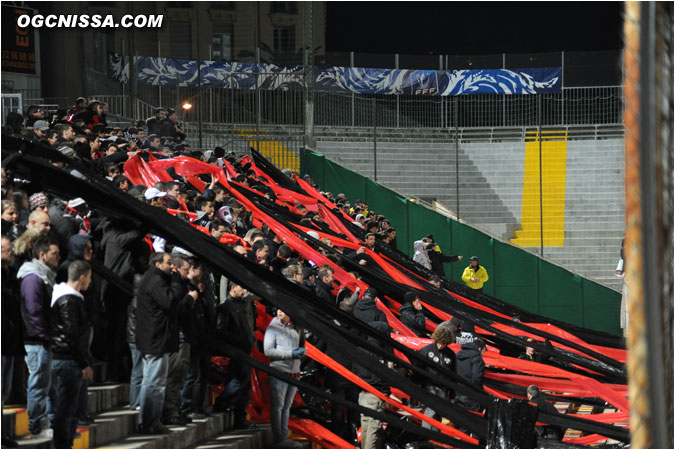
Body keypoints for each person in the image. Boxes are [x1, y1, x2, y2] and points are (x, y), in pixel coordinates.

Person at [136, 252, 197, 434]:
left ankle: (150, 421)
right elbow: (170, 302)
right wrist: (177, 282)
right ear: (157, 264)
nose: (172, 267)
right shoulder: (156, 281)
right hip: (156, 339)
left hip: (156, 338)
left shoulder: (155, 279)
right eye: (168, 263)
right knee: (154, 383)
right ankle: (150, 422)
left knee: (153, 382)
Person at [17, 236, 60, 437]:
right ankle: (36, 425)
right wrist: (43, 336)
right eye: (54, 254)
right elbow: (33, 311)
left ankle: (50, 422)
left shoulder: (44, 276)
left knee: (47, 384)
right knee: (38, 384)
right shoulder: (33, 278)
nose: (58, 258)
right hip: (36, 341)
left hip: (43, 339)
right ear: (42, 255)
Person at [50, 260, 94, 449]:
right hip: (67, 361)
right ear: (82, 277)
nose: (91, 282)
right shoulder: (70, 300)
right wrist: (84, 363)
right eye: (90, 277)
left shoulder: (66, 297)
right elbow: (71, 334)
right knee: (67, 409)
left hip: (65, 358)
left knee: (69, 409)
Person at [213, 282, 257, 429]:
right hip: (237, 350)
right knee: (241, 380)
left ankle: (240, 418)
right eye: (242, 287)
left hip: (245, 349)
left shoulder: (245, 305)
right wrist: (239, 341)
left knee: (244, 384)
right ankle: (222, 402)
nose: (244, 290)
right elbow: (221, 330)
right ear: (232, 287)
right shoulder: (226, 307)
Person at [263, 308, 305, 448]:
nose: (279, 313)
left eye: (283, 310)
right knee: (278, 406)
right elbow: (268, 350)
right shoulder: (273, 326)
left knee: (286, 406)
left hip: (294, 372)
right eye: (278, 310)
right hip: (279, 371)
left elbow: (301, 346)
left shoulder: (297, 326)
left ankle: (284, 437)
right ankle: (280, 439)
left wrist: (300, 353)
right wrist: (290, 353)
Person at [352, 321, 392, 449]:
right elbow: (382, 376)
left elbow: (354, 372)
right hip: (376, 395)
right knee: (373, 429)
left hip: (362, 395)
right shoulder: (380, 352)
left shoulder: (360, 349)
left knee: (365, 426)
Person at [2, 235, 24, 448]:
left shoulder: (10, 275)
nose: (11, 253)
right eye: (7, 250)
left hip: (9, 343)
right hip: (3, 342)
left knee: (4, 392)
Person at [416, 326, 456, 431]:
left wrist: (452, 395)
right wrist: (418, 386)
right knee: (431, 410)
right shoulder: (426, 350)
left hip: (442, 389)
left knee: (438, 413)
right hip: (429, 387)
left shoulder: (451, 355)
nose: (440, 345)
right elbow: (417, 368)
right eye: (439, 342)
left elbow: (453, 375)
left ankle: (435, 436)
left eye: (443, 343)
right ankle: (424, 434)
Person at [454, 338, 486, 413]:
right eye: (483, 351)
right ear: (479, 349)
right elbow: (476, 378)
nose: (483, 354)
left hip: (457, 391)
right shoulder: (477, 359)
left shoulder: (458, 354)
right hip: (470, 395)